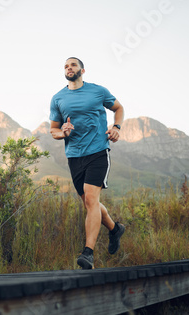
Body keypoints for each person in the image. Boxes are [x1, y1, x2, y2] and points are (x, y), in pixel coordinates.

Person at [49, 57, 125, 269]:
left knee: (92, 200)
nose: (69, 67)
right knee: (89, 203)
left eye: (73, 64)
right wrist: (61, 132)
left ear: (82, 69)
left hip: (98, 151)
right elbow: (53, 130)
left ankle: (88, 254)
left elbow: (118, 108)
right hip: (74, 156)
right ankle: (115, 229)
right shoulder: (58, 98)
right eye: (65, 65)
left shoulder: (98, 91)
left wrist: (116, 127)